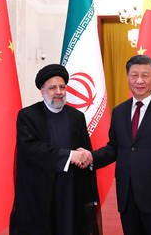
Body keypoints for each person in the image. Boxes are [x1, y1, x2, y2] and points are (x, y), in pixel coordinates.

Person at [80, 55, 151, 235]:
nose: (139, 81)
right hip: (128, 197)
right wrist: (90, 157)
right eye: (134, 75)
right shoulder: (119, 111)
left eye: (145, 75)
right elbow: (114, 148)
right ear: (127, 77)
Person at [9, 64, 100, 235]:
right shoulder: (27, 116)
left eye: (62, 87)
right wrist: (69, 156)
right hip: (39, 193)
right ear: (42, 90)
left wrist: (85, 157)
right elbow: (31, 150)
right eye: (52, 88)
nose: (58, 92)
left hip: (70, 192)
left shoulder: (76, 117)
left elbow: (85, 151)